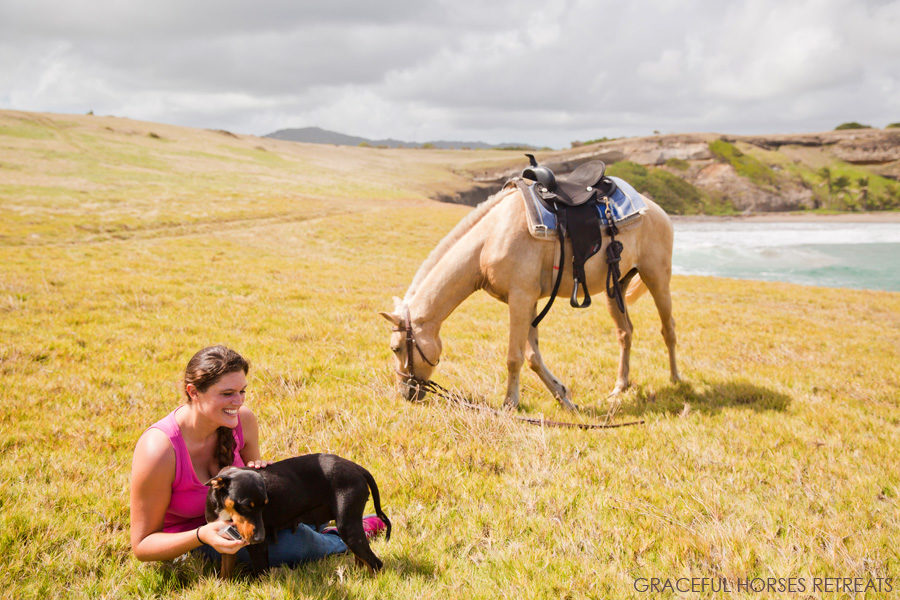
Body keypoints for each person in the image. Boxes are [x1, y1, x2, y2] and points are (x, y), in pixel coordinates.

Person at [129, 345, 384, 569]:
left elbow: (253, 494)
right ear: (193, 392)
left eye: (242, 391)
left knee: (289, 517)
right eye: (227, 393)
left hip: (248, 522)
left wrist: (258, 470)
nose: (238, 401)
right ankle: (336, 539)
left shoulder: (243, 420)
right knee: (293, 547)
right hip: (194, 540)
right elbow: (142, 546)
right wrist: (201, 535)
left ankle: (347, 526)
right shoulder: (159, 449)